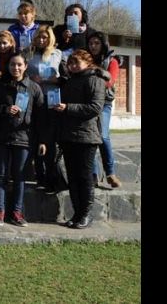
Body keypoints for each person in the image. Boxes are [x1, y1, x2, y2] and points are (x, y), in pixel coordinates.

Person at [0, 53, 45, 227]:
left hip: (24, 138)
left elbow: (41, 116)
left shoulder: (34, 88)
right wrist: (5, 109)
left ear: (25, 66)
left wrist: (42, 140)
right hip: (2, 137)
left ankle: (17, 213)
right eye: (13, 64)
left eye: (19, 65)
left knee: (20, 177)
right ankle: (0, 212)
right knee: (1, 175)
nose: (16, 68)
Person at [52, 49, 106, 229]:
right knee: (73, 177)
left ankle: (86, 214)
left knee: (84, 177)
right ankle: (76, 213)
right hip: (68, 136)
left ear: (88, 63)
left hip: (87, 137)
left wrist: (67, 108)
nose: (73, 66)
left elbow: (95, 107)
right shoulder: (69, 82)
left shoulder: (95, 80)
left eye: (77, 62)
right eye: (71, 63)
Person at [26, 25, 64, 192]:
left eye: (45, 37)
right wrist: (31, 78)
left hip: (51, 100)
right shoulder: (29, 53)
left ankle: (51, 177)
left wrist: (55, 79)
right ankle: (39, 176)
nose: (42, 40)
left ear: (51, 39)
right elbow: (20, 72)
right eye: (39, 37)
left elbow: (64, 77)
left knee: (49, 141)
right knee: (34, 138)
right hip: (33, 99)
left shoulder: (57, 54)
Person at [87, 31, 122, 188]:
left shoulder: (112, 61)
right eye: (91, 43)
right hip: (86, 102)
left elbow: (110, 81)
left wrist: (94, 77)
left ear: (103, 45)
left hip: (104, 103)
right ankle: (93, 175)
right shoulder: (85, 59)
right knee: (90, 137)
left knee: (103, 135)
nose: (93, 46)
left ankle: (110, 173)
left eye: (96, 43)